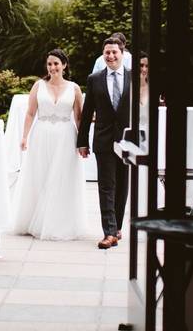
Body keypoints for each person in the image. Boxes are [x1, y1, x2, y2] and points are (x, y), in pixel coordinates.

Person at [11, 49, 87, 240]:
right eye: (49, 64)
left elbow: (79, 117)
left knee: (61, 177)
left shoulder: (74, 88)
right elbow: (30, 113)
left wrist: (83, 142)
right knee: (40, 175)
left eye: (56, 64)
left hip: (66, 137)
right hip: (41, 134)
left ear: (64, 65)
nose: (52, 67)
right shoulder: (39, 86)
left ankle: (58, 222)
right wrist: (24, 137)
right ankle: (34, 220)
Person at [77, 37, 131, 249]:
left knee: (122, 186)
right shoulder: (95, 78)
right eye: (107, 52)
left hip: (127, 141)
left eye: (114, 52)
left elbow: (140, 110)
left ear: (122, 53)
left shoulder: (133, 77)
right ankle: (109, 232)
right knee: (106, 186)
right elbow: (87, 110)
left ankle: (116, 227)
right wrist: (82, 141)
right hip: (104, 139)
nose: (110, 56)